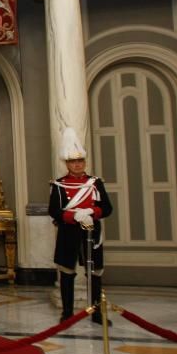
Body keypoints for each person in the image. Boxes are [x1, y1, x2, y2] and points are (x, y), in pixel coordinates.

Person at [49, 127, 114, 325]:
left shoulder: (95, 183)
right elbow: (54, 211)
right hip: (68, 233)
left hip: (92, 234)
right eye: (73, 162)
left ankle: (96, 312)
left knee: (94, 274)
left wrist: (92, 213)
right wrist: (74, 215)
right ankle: (67, 313)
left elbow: (107, 208)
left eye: (80, 161)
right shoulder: (59, 185)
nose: (77, 165)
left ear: (84, 162)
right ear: (67, 164)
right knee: (67, 273)